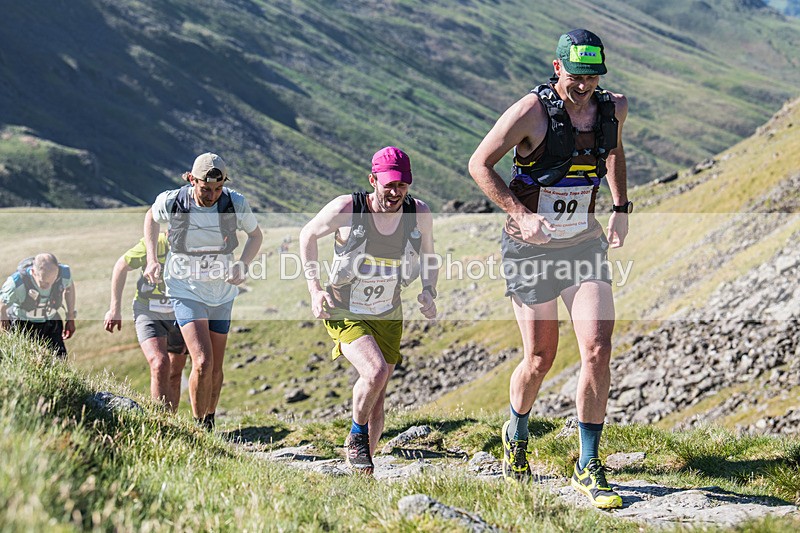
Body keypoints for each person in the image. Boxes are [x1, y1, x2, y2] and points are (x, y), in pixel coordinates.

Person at [468, 29, 629, 508]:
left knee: (598, 346)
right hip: (531, 249)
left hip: (583, 242)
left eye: (593, 77)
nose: (585, 86)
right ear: (557, 68)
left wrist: (621, 206)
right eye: (577, 77)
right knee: (540, 359)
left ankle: (588, 464)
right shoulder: (530, 112)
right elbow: (479, 164)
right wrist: (521, 215)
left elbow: (616, 150)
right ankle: (515, 433)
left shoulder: (612, 108)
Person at [299, 146, 438, 475]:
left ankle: (361, 474)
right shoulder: (349, 208)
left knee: (378, 393)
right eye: (388, 184)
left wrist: (429, 290)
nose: (395, 192)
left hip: (388, 309)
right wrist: (315, 289)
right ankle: (355, 437)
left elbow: (430, 255)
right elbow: (307, 234)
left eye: (402, 185)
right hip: (345, 307)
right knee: (374, 372)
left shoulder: (418, 213)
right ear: (372, 180)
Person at [143, 152, 263, 430]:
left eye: (218, 189)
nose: (212, 195)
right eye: (206, 188)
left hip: (222, 292)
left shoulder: (234, 203)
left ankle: (209, 416)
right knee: (202, 361)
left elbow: (256, 236)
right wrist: (152, 258)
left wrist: (243, 265)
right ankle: (200, 428)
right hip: (185, 289)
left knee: (216, 368)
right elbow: (151, 216)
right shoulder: (173, 200)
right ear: (191, 179)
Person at [104, 233, 188, 412]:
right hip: (148, 310)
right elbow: (121, 266)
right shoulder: (156, 244)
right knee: (159, 363)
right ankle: (160, 423)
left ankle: (171, 422)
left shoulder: (196, 243)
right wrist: (114, 309)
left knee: (175, 371)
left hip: (180, 313)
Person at [0, 253, 76, 358]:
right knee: (27, 359)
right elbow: (2, 304)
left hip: (51, 322)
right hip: (23, 325)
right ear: (33, 272)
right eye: (43, 283)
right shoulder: (16, 283)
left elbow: (69, 287)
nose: (48, 286)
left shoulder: (63, 274)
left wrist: (70, 316)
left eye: (52, 282)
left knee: (60, 359)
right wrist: (4, 324)